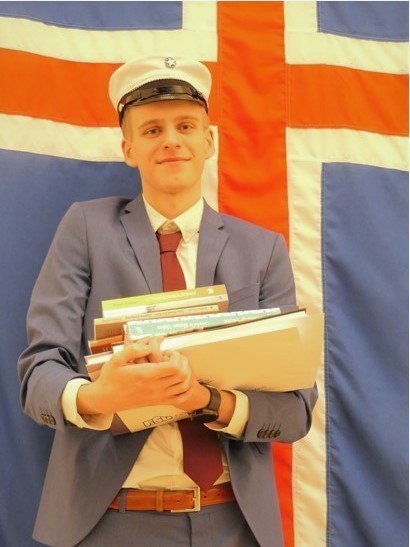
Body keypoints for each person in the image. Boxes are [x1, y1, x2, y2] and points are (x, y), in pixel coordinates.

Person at [18, 54, 318, 547]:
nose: (171, 140)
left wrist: (207, 401)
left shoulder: (263, 250)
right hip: (110, 522)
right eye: (152, 130)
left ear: (209, 141)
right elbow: (38, 374)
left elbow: (296, 412)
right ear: (129, 148)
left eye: (185, 126)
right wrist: (99, 398)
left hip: (232, 523)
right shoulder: (86, 229)